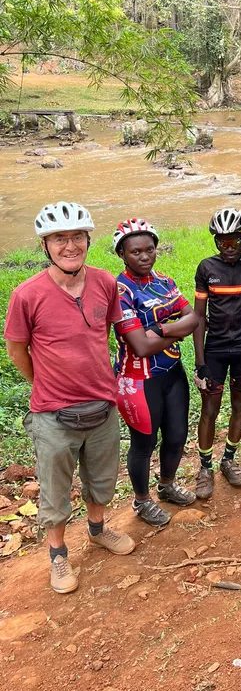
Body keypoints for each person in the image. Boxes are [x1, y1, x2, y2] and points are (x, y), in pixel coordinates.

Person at [5, 202, 135, 595]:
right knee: (55, 488)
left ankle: (97, 530)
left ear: (88, 241)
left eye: (77, 236)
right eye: (59, 238)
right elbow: (17, 350)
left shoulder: (104, 283)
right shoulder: (27, 295)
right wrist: (45, 383)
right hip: (53, 415)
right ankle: (58, 555)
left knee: (102, 478)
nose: (70, 246)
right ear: (45, 245)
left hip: (102, 406)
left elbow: (104, 333)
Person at [113, 218, 199, 527]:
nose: (144, 256)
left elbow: (194, 319)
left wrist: (161, 329)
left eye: (149, 249)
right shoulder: (120, 291)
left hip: (172, 371)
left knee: (176, 435)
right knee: (144, 443)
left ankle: (166, 485)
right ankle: (141, 500)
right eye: (135, 252)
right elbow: (140, 347)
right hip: (138, 380)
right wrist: (177, 330)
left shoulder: (164, 280)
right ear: (122, 254)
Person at [193, 208, 241, 498]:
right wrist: (199, 362)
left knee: (240, 404)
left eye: (235, 241)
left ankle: (228, 459)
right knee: (209, 409)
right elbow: (198, 317)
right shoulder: (206, 268)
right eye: (222, 242)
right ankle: (205, 468)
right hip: (214, 348)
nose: (228, 247)